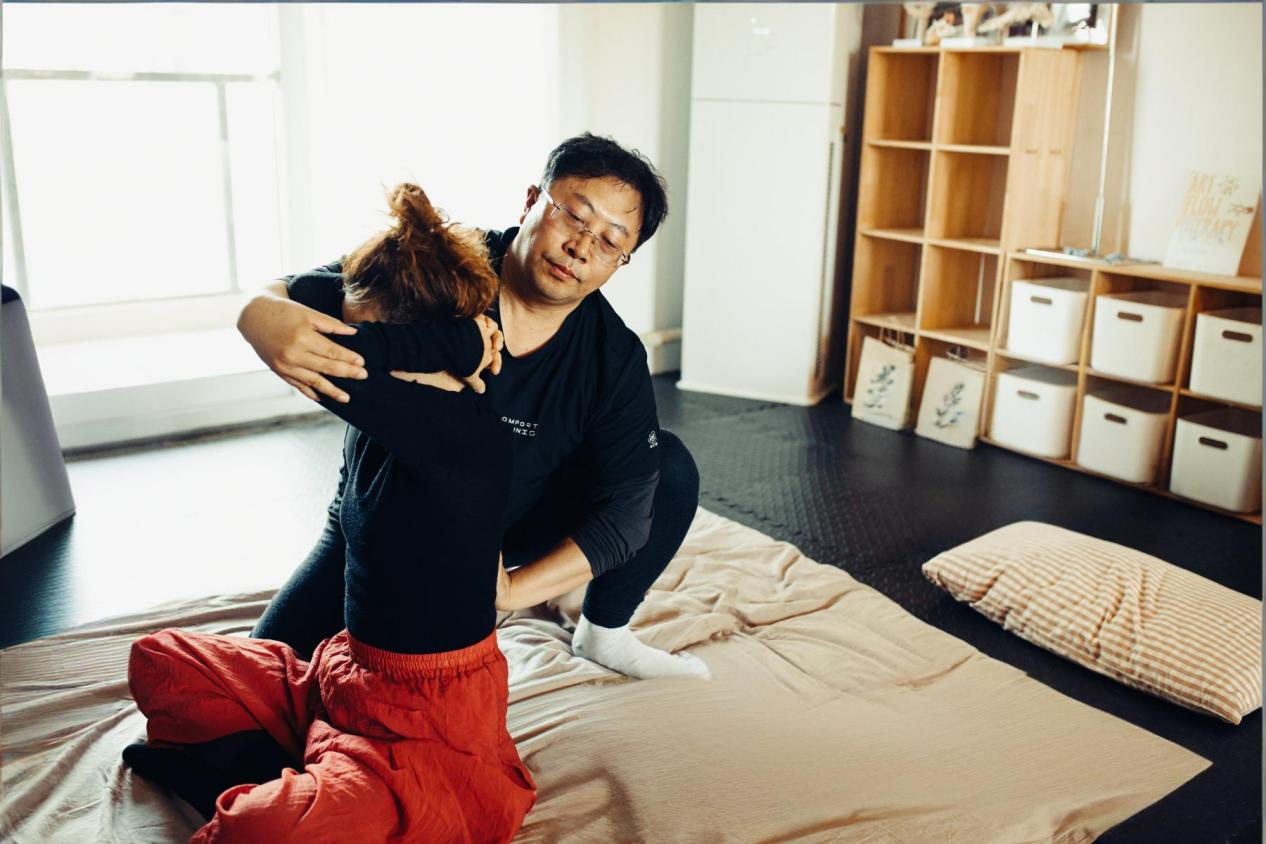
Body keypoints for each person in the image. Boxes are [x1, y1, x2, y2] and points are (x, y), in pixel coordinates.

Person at [124, 184, 536, 842]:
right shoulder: (388, 402)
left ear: (398, 341)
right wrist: (453, 342)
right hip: (339, 677)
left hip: (422, 729)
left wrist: (455, 346)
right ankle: (300, 774)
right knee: (159, 658)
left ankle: (283, 785)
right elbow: (299, 308)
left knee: (256, 830)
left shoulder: (464, 437)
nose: (326, 346)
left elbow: (343, 346)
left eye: (351, 331)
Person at [239, 133, 710, 682]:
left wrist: (509, 590)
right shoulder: (450, 264)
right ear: (531, 201)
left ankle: (604, 632)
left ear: (620, 262)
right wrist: (258, 312)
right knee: (258, 682)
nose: (581, 248)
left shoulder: (613, 355)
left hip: (506, 529)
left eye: (609, 241)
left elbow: (626, 517)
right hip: (386, 525)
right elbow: (305, 292)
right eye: (574, 217)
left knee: (667, 470)